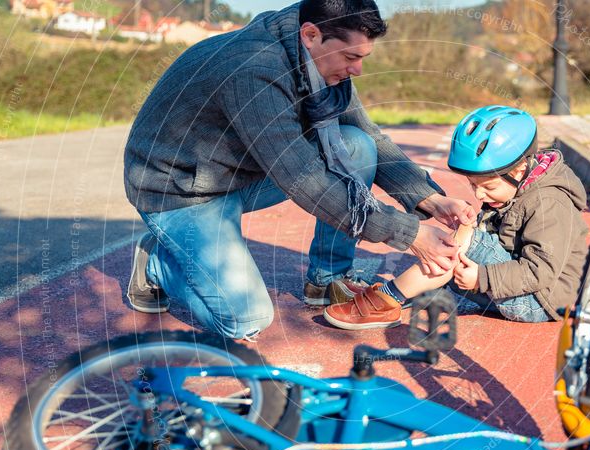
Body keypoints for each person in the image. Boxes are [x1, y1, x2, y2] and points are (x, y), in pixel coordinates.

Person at [124, 0, 475, 340]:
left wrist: (427, 198)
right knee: (245, 319)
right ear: (310, 35)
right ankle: (157, 261)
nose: (358, 70)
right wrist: (410, 234)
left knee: (356, 146)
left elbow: (367, 133)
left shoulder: (317, 51)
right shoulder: (255, 72)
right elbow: (305, 181)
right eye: (351, 57)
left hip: (234, 172)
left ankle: (328, 278)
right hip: (178, 191)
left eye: (362, 57)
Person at [323, 105, 590, 330]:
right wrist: (477, 224)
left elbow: (540, 271)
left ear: (520, 170)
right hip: (517, 287)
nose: (480, 195)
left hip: (538, 301)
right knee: (462, 237)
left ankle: (388, 299)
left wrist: (481, 277)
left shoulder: (549, 203)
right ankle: (395, 295)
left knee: (462, 242)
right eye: (474, 185)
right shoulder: (517, 187)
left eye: (488, 186)